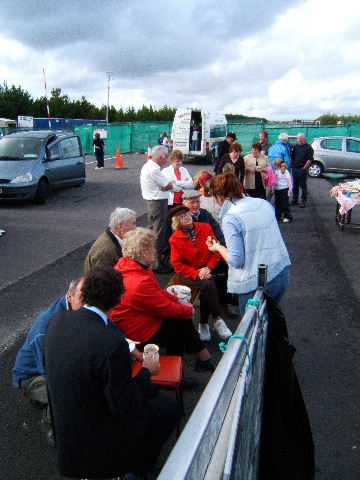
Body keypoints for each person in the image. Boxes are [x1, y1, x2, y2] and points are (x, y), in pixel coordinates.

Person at [45, 268, 180, 478]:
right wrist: (146, 373)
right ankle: (138, 468)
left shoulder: (58, 321)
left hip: (67, 431)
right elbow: (123, 403)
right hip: (98, 440)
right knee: (169, 408)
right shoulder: (110, 342)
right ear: (118, 300)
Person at [110, 228, 214, 372]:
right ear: (143, 252)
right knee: (179, 322)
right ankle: (180, 368)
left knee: (180, 319)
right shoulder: (139, 281)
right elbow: (164, 307)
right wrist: (188, 309)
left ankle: (195, 361)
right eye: (152, 247)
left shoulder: (130, 265)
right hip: (135, 331)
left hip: (135, 318)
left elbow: (158, 295)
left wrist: (177, 302)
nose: (155, 250)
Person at [12, 277, 85, 440]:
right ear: (69, 296)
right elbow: (49, 371)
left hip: (51, 361)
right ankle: (52, 426)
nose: (89, 304)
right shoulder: (46, 329)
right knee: (65, 393)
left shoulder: (74, 310)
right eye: (83, 298)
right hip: (31, 374)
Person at [208, 172, 291, 314]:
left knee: (252, 329)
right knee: (268, 320)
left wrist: (218, 247)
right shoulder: (262, 203)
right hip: (279, 271)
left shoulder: (231, 218)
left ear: (219, 196)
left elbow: (236, 261)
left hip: (256, 280)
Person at [169, 205, 232, 342]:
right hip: (188, 274)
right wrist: (197, 273)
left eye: (187, 214)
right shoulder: (174, 239)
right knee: (208, 284)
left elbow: (216, 251)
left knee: (207, 286)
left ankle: (204, 323)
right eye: (182, 216)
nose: (186, 217)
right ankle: (216, 319)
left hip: (208, 271)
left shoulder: (205, 227)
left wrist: (208, 268)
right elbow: (177, 265)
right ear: (176, 221)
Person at [140, 145, 175, 273]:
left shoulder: (149, 166)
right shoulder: (154, 169)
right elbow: (167, 185)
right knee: (159, 232)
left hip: (154, 201)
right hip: (157, 202)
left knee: (153, 230)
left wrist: (167, 185)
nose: (167, 160)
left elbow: (165, 185)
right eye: (166, 158)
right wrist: (170, 184)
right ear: (161, 157)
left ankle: (150, 258)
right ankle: (156, 263)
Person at [84, 207, 136, 274]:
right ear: (120, 226)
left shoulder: (114, 237)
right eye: (133, 223)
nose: (135, 228)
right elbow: (103, 280)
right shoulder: (105, 252)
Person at [291, 133, 314, 208]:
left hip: (302, 169)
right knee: (295, 186)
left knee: (303, 186)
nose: (298, 140)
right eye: (298, 139)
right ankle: (294, 200)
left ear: (303, 139)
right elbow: (293, 156)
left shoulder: (309, 147)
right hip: (295, 169)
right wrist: (293, 166)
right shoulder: (296, 146)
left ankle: (303, 201)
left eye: (299, 139)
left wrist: (304, 168)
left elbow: (310, 159)